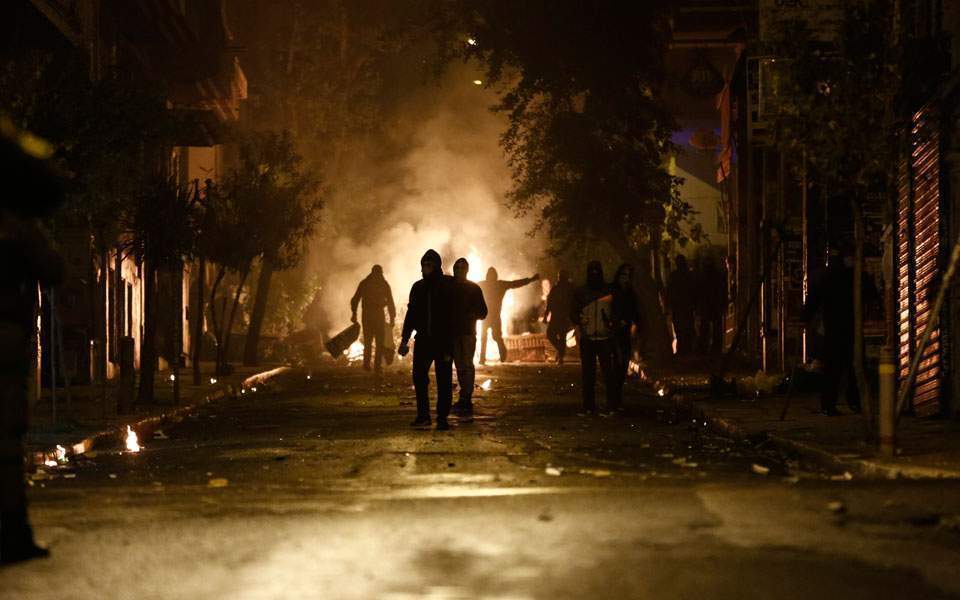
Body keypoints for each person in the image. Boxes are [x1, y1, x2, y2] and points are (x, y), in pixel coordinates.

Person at [1, 119, 64, 564]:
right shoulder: (16, 223)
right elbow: (55, 269)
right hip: (4, 337)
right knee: (5, 441)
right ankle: (13, 534)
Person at [801, 249, 879, 416]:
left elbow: (813, 300)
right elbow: (872, 295)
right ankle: (854, 402)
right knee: (853, 367)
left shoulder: (829, 277)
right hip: (850, 327)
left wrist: (805, 318)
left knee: (833, 369)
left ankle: (830, 404)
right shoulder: (857, 277)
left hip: (835, 328)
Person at [398, 250, 455, 431]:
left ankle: (442, 418)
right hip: (423, 340)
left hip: (443, 340)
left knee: (444, 380)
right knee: (419, 378)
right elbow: (411, 315)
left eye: (430, 264)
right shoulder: (418, 287)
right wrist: (404, 340)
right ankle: (423, 415)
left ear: (437, 266)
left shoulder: (448, 285)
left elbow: (455, 312)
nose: (426, 268)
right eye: (424, 264)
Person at [571, 261, 618, 415]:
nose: (595, 274)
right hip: (588, 338)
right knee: (588, 375)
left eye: (597, 271)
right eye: (592, 271)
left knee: (608, 374)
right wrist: (579, 320)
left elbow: (618, 310)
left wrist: (612, 323)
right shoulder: (581, 293)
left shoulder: (609, 291)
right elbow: (573, 312)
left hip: (605, 338)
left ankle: (611, 406)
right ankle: (589, 407)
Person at [450, 258, 487, 422]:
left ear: (466, 270)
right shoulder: (448, 287)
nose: (458, 270)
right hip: (454, 333)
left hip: (467, 333)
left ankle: (466, 398)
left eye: (461, 268)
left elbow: (483, 312)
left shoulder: (473, 289)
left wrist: (472, 314)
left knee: (467, 365)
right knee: (460, 365)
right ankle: (463, 398)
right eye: (456, 267)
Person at [477, 267, 539, 364]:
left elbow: (469, 286)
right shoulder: (500, 284)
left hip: (485, 316)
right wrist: (531, 279)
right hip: (494, 316)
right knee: (496, 336)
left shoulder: (483, 284)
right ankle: (501, 355)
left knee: (485, 337)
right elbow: (515, 283)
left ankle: (484, 358)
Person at [350, 264, 396, 373]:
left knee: (371, 340)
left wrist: (354, 313)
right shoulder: (382, 284)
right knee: (374, 341)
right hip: (375, 314)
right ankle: (374, 365)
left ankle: (370, 365)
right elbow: (390, 302)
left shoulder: (365, 283)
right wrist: (392, 318)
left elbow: (355, 300)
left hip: (369, 315)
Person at [611, 264, 640, 406]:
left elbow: (635, 311)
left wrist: (630, 322)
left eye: (628, 276)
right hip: (613, 332)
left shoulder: (630, 293)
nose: (626, 279)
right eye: (623, 275)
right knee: (615, 362)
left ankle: (617, 394)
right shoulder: (612, 291)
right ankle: (614, 396)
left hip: (625, 332)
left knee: (623, 364)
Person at [695, 254, 726, 355]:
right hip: (714, 305)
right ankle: (715, 348)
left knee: (706, 327)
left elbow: (699, 291)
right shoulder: (717, 275)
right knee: (715, 327)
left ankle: (705, 348)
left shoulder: (702, 275)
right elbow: (722, 290)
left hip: (707, 305)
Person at [543, 270, 575, 365]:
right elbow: (550, 303)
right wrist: (546, 315)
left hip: (563, 317)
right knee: (551, 334)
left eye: (560, 276)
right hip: (556, 316)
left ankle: (560, 357)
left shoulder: (569, 289)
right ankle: (560, 351)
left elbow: (573, 303)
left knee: (562, 337)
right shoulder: (556, 289)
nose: (559, 278)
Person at [666, 255, 695, 356]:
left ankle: (684, 349)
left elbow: (669, 291)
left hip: (680, 306)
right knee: (684, 328)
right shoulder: (688, 275)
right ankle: (686, 348)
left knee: (681, 328)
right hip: (684, 306)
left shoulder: (675, 276)